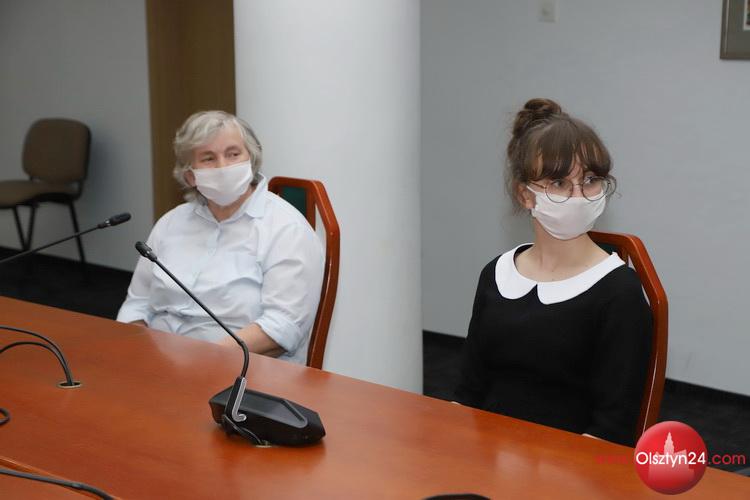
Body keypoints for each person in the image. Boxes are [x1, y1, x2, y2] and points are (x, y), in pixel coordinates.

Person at [454, 98, 652, 446]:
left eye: (590, 180)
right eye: (559, 183)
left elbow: (613, 428)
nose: (579, 196)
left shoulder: (619, 291)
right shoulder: (497, 274)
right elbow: (467, 393)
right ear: (525, 195)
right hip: (486, 453)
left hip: (569, 463)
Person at [117, 111, 324, 364]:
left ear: (251, 160)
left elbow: (280, 328)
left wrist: (202, 361)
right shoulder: (171, 223)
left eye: (233, 154)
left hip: (239, 371)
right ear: (190, 176)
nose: (223, 166)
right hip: (158, 365)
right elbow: (137, 304)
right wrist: (137, 356)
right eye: (208, 158)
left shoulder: (286, 228)